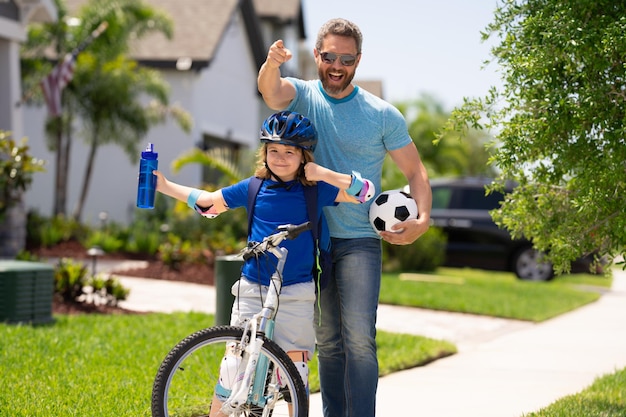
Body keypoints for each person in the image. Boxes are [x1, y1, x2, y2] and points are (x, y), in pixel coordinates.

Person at [257, 18, 432, 417]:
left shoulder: (381, 114)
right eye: (330, 56)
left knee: (358, 341)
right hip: (311, 240)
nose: (337, 66)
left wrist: (421, 220)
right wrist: (271, 63)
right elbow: (270, 91)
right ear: (317, 55)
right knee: (328, 342)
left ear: (358, 61)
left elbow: (416, 173)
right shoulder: (301, 94)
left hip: (359, 241)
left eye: (347, 59)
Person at [152, 111, 375, 416]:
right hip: (252, 286)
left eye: (289, 152)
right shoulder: (253, 187)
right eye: (274, 151)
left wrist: (323, 174)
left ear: (303, 157)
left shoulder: (315, 189)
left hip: (296, 291)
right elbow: (208, 202)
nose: (280, 158)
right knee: (233, 365)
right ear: (264, 153)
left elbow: (364, 192)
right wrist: (163, 185)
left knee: (294, 372)